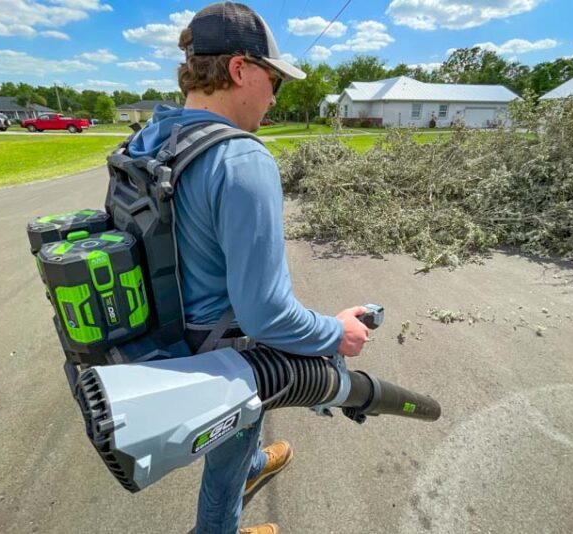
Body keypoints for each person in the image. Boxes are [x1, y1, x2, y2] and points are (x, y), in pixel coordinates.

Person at [127, 3, 370, 533]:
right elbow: (267, 316)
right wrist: (337, 332)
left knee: (243, 436)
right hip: (219, 351)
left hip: (163, 331)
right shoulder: (241, 159)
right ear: (240, 70)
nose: (275, 94)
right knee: (232, 441)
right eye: (273, 79)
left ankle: (253, 463)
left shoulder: (153, 135)